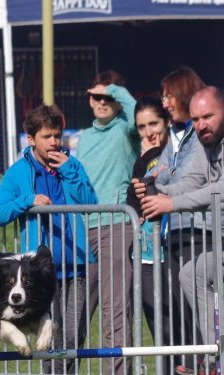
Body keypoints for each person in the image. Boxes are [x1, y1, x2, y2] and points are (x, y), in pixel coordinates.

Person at [0, 104, 98, 374]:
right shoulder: (18, 172)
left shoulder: (72, 165)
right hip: (39, 273)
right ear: (31, 139)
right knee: (50, 335)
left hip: (76, 265)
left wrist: (70, 171)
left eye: (57, 136)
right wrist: (28, 201)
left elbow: (90, 202)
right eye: (47, 136)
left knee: (73, 336)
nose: (53, 142)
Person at [141, 86, 224, 375]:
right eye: (197, 119)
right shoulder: (205, 145)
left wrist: (171, 203)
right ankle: (215, 355)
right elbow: (192, 181)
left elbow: (218, 190)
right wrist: (156, 193)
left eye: (208, 117)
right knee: (191, 273)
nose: (201, 125)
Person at [76, 70, 139, 375]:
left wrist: (114, 88)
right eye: (95, 96)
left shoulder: (127, 129)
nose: (101, 102)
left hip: (116, 225)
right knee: (75, 310)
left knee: (114, 311)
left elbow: (136, 110)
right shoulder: (84, 137)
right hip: (83, 229)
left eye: (107, 98)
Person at [125, 97, 170, 354]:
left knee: (182, 326)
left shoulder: (174, 153)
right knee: (159, 330)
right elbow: (134, 202)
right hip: (146, 254)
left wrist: (151, 154)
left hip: (173, 252)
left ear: (166, 121)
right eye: (142, 127)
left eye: (154, 123)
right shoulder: (141, 160)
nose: (149, 132)